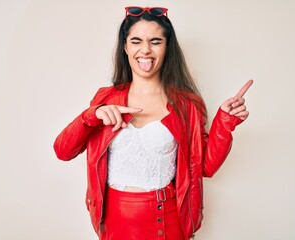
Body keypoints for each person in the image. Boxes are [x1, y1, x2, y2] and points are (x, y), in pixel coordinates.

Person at [54, 6, 253, 240]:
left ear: (167, 48)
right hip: (113, 224)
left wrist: (225, 122)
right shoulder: (105, 99)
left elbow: (204, 168)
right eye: (136, 41)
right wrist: (91, 116)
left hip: (166, 222)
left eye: (156, 41)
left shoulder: (187, 104)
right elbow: (63, 151)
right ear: (125, 47)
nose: (145, 50)